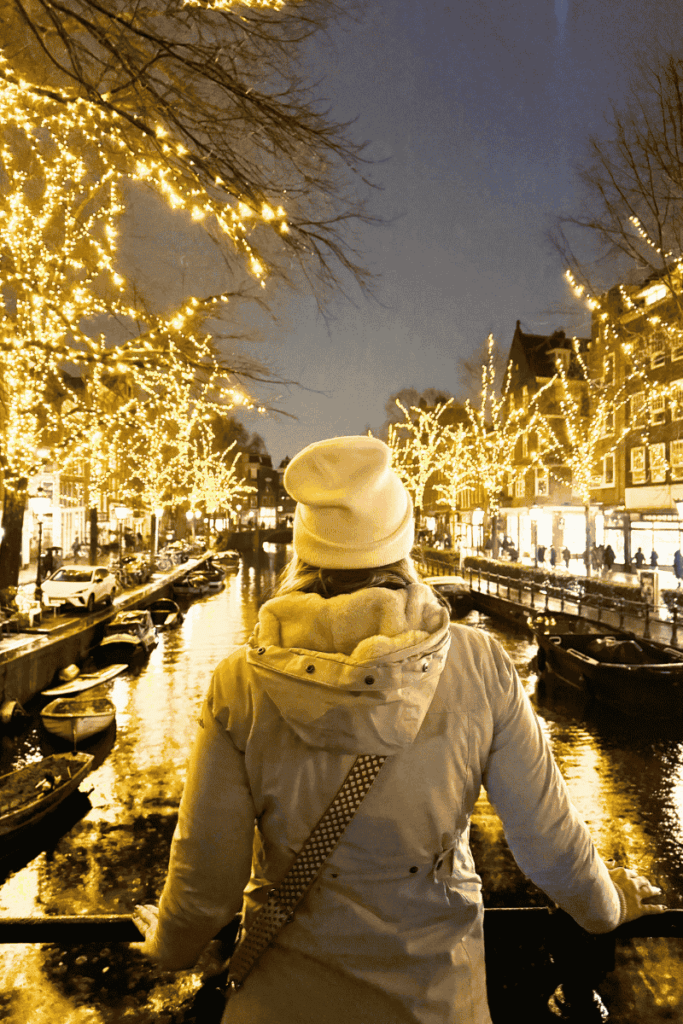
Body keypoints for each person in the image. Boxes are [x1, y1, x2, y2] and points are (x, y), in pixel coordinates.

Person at [133, 436, 666, 1024]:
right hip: (433, 995)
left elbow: (208, 869)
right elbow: (548, 838)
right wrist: (604, 908)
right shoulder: (479, 664)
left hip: (283, 999)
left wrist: (172, 944)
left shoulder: (240, 681)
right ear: (402, 545)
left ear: (304, 552)